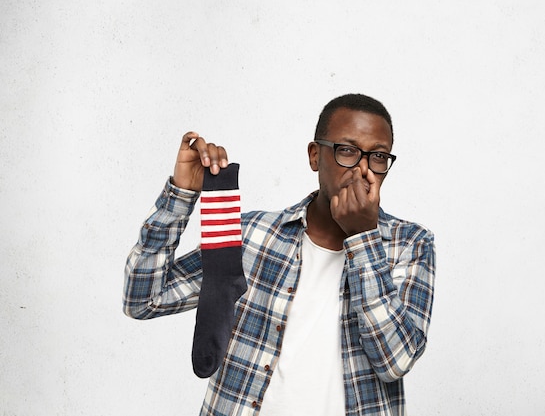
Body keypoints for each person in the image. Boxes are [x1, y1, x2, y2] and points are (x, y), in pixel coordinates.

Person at [123, 93, 436, 416]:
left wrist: (363, 237)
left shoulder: (410, 244)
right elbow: (143, 299)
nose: (362, 169)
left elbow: (394, 361)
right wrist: (181, 194)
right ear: (315, 156)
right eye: (346, 150)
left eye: (379, 156)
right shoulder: (253, 235)